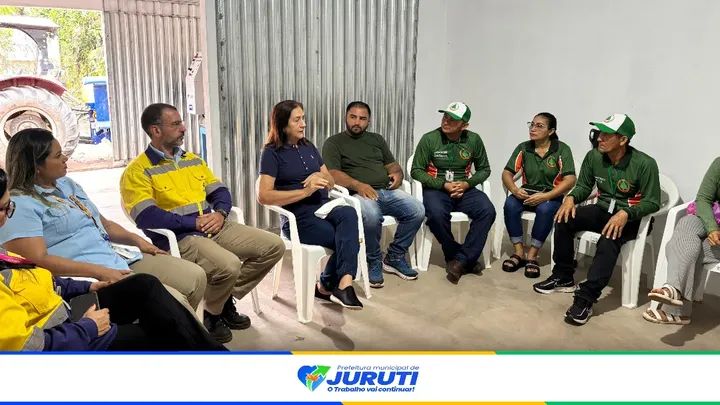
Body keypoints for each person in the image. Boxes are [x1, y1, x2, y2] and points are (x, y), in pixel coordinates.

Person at [0, 168, 226, 351]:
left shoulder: (67, 186)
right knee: (166, 331)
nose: (9, 215)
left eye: (10, 206)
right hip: (66, 336)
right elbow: (28, 347)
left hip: (69, 308)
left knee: (145, 285)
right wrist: (88, 327)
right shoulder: (26, 205)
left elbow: (37, 279)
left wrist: (86, 287)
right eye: (4, 208)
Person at [120, 103, 285, 343]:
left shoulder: (192, 160)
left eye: (181, 122)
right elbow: (146, 216)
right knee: (229, 265)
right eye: (176, 124)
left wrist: (220, 214)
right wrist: (193, 223)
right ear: (156, 130)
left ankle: (220, 299)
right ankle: (212, 315)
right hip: (180, 237)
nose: (183, 128)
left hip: (214, 225)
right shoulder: (137, 171)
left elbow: (220, 191)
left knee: (274, 246)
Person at [0, 128, 207, 318]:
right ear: (36, 166)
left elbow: (104, 224)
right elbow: (37, 261)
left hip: (114, 257)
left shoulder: (66, 184)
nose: (65, 158)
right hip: (86, 275)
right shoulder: (20, 204)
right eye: (57, 156)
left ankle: (173, 332)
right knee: (173, 303)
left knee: (194, 277)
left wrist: (137, 241)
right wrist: (98, 271)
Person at [534, 113, 660, 325]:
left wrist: (626, 213)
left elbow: (653, 202)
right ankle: (563, 276)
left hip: (632, 218)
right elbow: (584, 186)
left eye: (607, 135)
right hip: (603, 210)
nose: (599, 138)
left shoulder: (645, 163)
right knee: (564, 219)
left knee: (609, 239)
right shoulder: (594, 157)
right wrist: (570, 198)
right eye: (600, 133)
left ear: (623, 139)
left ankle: (585, 298)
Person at [258, 100, 363, 310]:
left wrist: (318, 176)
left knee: (349, 213)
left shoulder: (308, 146)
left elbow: (330, 181)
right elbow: (264, 196)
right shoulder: (271, 153)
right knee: (349, 238)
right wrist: (306, 191)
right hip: (298, 218)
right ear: (283, 125)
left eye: (303, 118)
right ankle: (330, 285)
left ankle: (341, 285)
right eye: (297, 120)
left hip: (324, 208)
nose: (303, 124)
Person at [322, 101, 424, 288]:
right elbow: (333, 174)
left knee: (417, 210)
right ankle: (373, 260)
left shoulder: (376, 139)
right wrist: (358, 185)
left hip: (386, 191)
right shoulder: (334, 142)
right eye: (353, 117)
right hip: (356, 194)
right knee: (371, 216)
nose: (357, 122)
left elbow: (392, 165)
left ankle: (394, 256)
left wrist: (398, 175)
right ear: (346, 117)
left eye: (362, 118)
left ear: (368, 121)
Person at [411, 101, 496, 285]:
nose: (446, 121)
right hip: (437, 188)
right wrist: (443, 185)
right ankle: (460, 257)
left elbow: (484, 169)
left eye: (453, 120)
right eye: (445, 116)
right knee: (435, 214)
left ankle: (460, 261)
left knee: (487, 210)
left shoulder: (474, 140)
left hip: (465, 188)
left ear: (464, 125)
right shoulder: (429, 139)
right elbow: (416, 170)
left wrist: (467, 184)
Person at [643, 158, 720, 325]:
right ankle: (673, 290)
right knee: (686, 224)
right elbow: (703, 199)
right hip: (714, 220)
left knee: (688, 247)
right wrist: (712, 228)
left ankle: (676, 309)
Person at [501, 113, 576, 278]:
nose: (533, 129)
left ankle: (532, 255)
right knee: (510, 205)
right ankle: (518, 252)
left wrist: (546, 196)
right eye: (532, 124)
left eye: (539, 126)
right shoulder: (523, 148)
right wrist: (514, 189)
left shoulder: (562, 149)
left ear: (551, 131)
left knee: (545, 210)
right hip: (527, 192)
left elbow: (570, 179)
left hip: (551, 194)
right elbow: (506, 173)